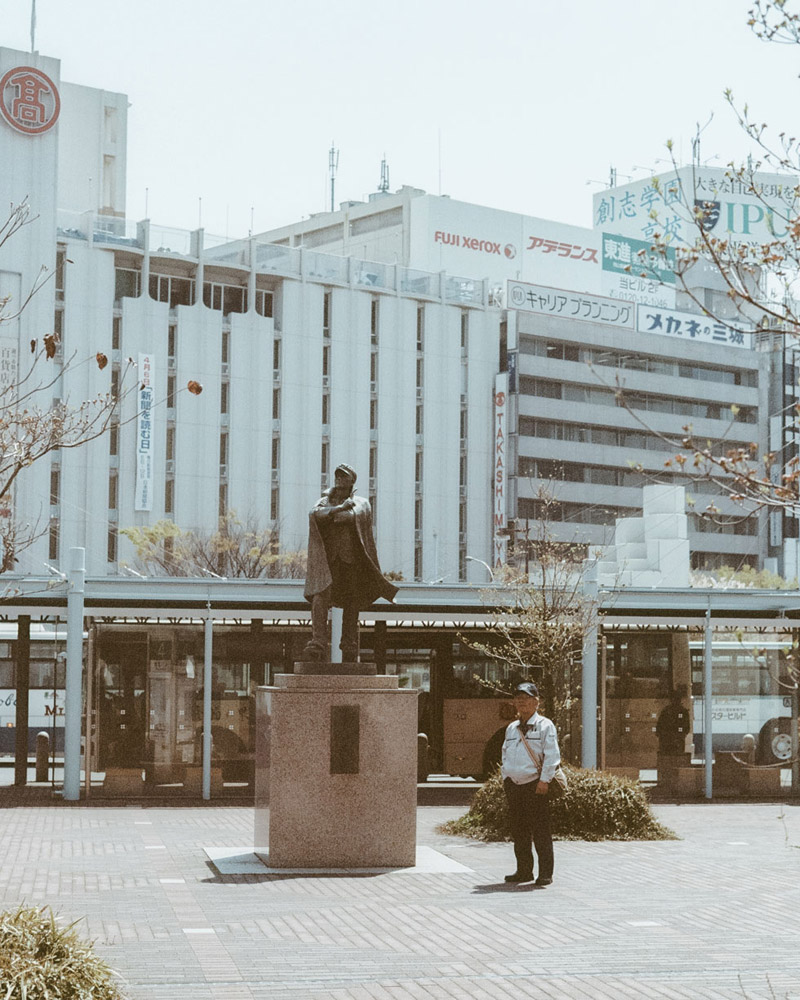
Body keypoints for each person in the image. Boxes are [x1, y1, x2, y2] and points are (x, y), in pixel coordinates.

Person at [302, 463, 398, 662]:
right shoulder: (324, 501)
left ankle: (349, 645)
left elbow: (353, 516)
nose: (339, 479)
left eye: (343, 477)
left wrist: (338, 514)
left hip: (351, 561)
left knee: (352, 603)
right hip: (328, 562)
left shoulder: (361, 501)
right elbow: (315, 515)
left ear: (351, 481)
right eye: (337, 476)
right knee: (320, 597)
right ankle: (318, 643)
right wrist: (338, 509)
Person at [501, 681, 560, 886]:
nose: (521, 703)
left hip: (535, 785)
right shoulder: (512, 728)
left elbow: (552, 756)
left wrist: (544, 781)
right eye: (518, 699)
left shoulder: (545, 726)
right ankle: (524, 870)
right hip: (514, 785)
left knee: (541, 830)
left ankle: (545, 873)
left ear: (536, 702)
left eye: (526, 699)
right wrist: (506, 778)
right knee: (519, 831)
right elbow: (505, 754)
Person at [656, 688, 690, 755]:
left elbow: (660, 724)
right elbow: (686, 727)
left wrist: (660, 733)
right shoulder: (683, 711)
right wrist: (682, 734)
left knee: (666, 757)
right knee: (677, 757)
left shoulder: (666, 710)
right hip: (677, 738)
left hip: (666, 738)